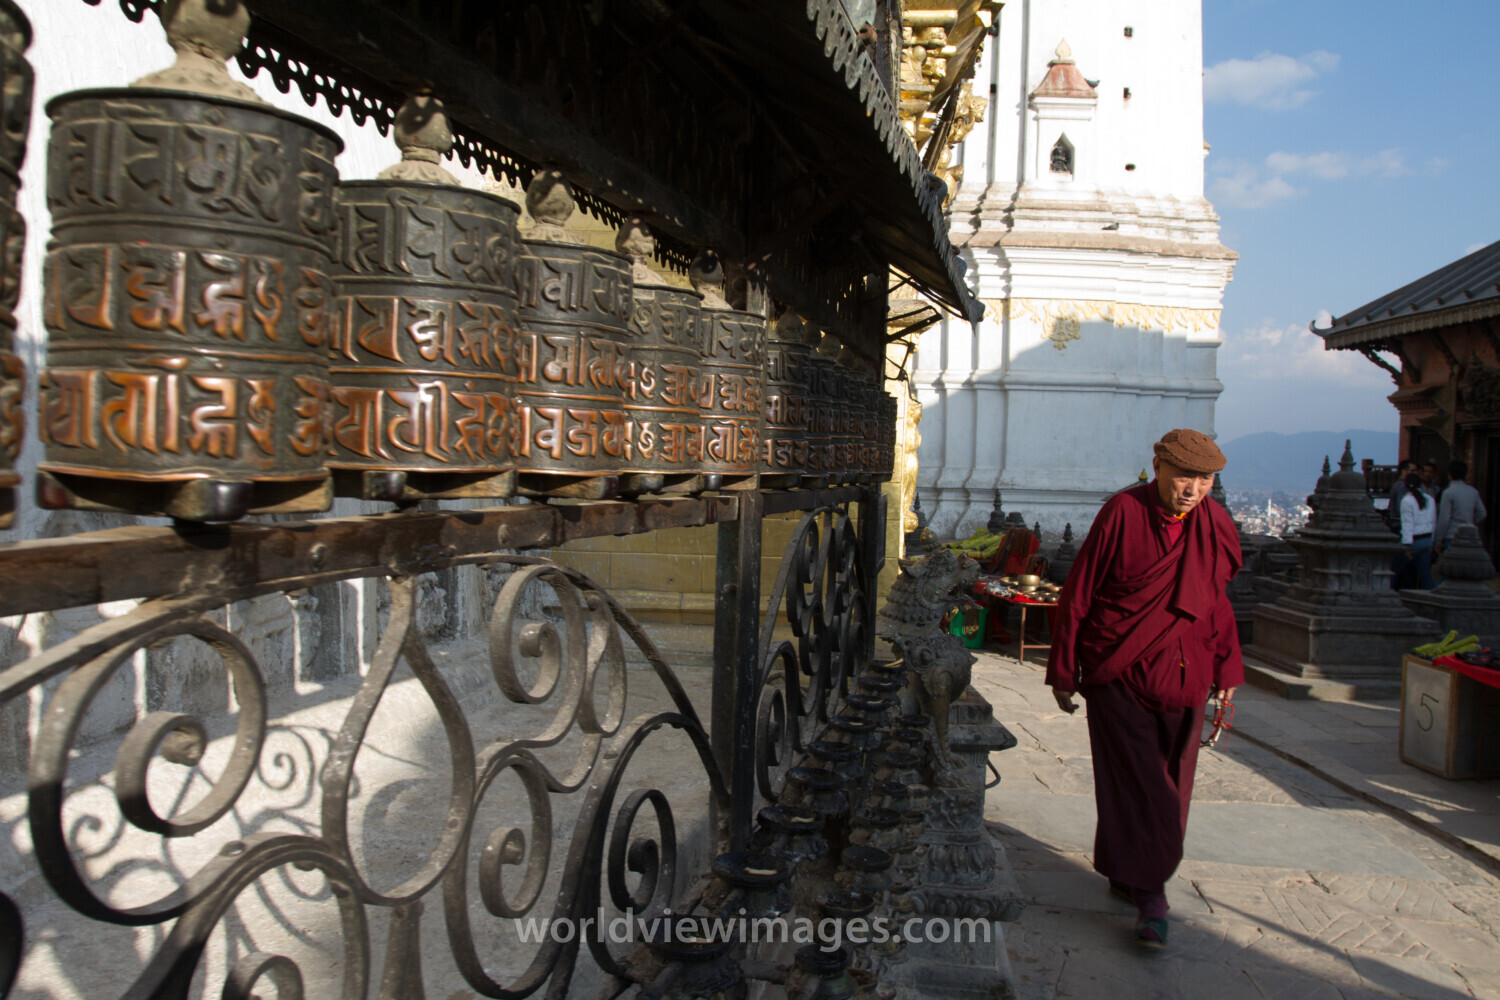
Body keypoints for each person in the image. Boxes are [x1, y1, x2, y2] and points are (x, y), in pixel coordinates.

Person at [1045, 428, 1243, 948]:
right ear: (1157, 466)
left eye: (1204, 479)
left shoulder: (1214, 523)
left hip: (1188, 675)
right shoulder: (1123, 513)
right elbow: (1079, 593)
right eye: (1184, 476)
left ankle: (1124, 870)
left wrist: (1228, 672)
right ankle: (1152, 896)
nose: (1193, 489)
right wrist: (1063, 670)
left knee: (1172, 783)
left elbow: (1217, 602)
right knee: (1142, 782)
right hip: (1120, 672)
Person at [1435, 460, 1487, 554]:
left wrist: (1438, 540)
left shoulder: (1448, 493)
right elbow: (1482, 513)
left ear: (1450, 474)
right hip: (1470, 534)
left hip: (1452, 535)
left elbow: (1444, 518)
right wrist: (1470, 522)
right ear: (1466, 474)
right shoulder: (1473, 491)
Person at [1397, 471, 1437, 590]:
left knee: (1394, 568)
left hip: (1414, 541)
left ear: (1405, 485)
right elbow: (1433, 521)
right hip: (1427, 540)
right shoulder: (1429, 499)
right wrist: (1432, 541)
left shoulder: (1407, 500)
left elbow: (1407, 524)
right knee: (1425, 573)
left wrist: (1407, 546)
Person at [1386, 460, 1417, 531]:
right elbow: (1400, 507)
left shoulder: (1399, 484)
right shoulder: (1402, 486)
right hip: (1399, 523)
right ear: (1404, 471)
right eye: (1412, 471)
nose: (1415, 473)